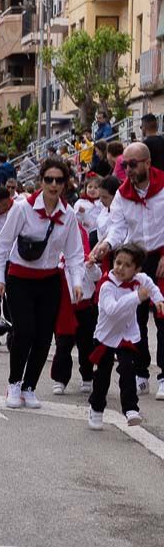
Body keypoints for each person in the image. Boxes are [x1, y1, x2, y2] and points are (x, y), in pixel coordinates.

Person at [0, 157, 86, 410]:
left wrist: (77, 282)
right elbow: (2, 245)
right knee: (25, 332)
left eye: (59, 180)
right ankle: (14, 383)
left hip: (50, 280)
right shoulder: (23, 208)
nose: (53, 185)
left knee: (44, 337)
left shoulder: (69, 215)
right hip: (20, 279)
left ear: (66, 183)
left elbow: (75, 253)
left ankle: (29, 386)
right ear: (41, 181)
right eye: (49, 180)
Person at [89, 141, 164, 400]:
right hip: (135, 260)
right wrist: (106, 245)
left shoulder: (163, 185)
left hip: (161, 256)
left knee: (162, 316)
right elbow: (118, 229)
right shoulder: (122, 193)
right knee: (136, 317)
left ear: (147, 163)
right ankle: (141, 371)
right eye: (125, 165)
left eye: (133, 164)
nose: (128, 169)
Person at [87, 244, 164, 429]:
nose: (120, 268)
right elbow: (113, 310)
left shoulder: (140, 279)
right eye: (117, 262)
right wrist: (136, 297)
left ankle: (131, 409)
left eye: (127, 265)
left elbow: (151, 286)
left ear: (136, 269)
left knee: (128, 369)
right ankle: (96, 409)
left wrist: (159, 299)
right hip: (106, 336)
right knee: (102, 376)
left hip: (126, 336)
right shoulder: (107, 285)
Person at [51, 240, 102, 396]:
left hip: (85, 309)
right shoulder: (57, 263)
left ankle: (87, 377)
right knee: (63, 345)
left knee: (86, 345)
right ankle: (60, 379)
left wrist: (91, 265)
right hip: (64, 310)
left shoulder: (86, 261)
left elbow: (97, 276)